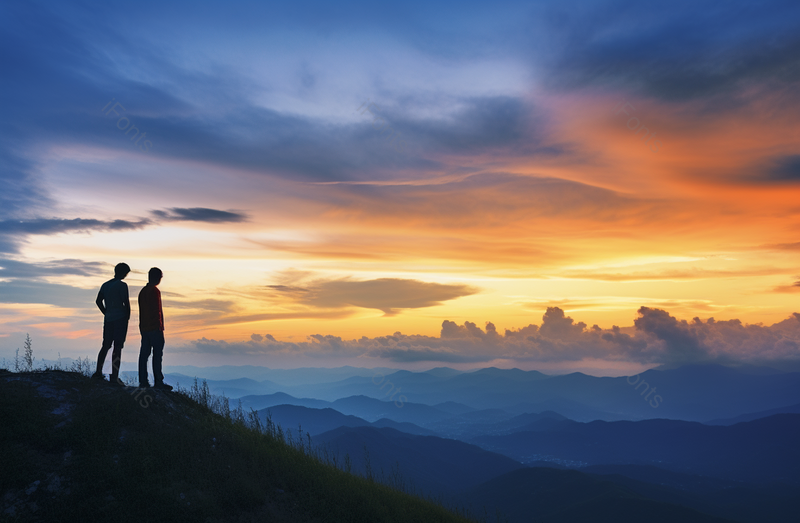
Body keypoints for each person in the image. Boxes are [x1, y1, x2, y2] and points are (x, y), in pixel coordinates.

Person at [93, 262, 131, 386]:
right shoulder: (122, 285)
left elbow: (98, 301)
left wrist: (106, 312)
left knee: (106, 345)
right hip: (120, 318)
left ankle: (98, 372)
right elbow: (126, 303)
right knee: (117, 347)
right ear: (124, 273)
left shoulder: (106, 285)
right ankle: (114, 377)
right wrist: (127, 319)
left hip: (108, 319)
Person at [138, 267, 172, 390]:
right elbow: (157, 311)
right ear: (157, 277)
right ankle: (158, 382)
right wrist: (160, 326)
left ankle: (143, 381)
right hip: (154, 328)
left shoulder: (142, 291)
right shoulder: (155, 291)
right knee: (157, 354)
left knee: (144, 354)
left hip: (144, 327)